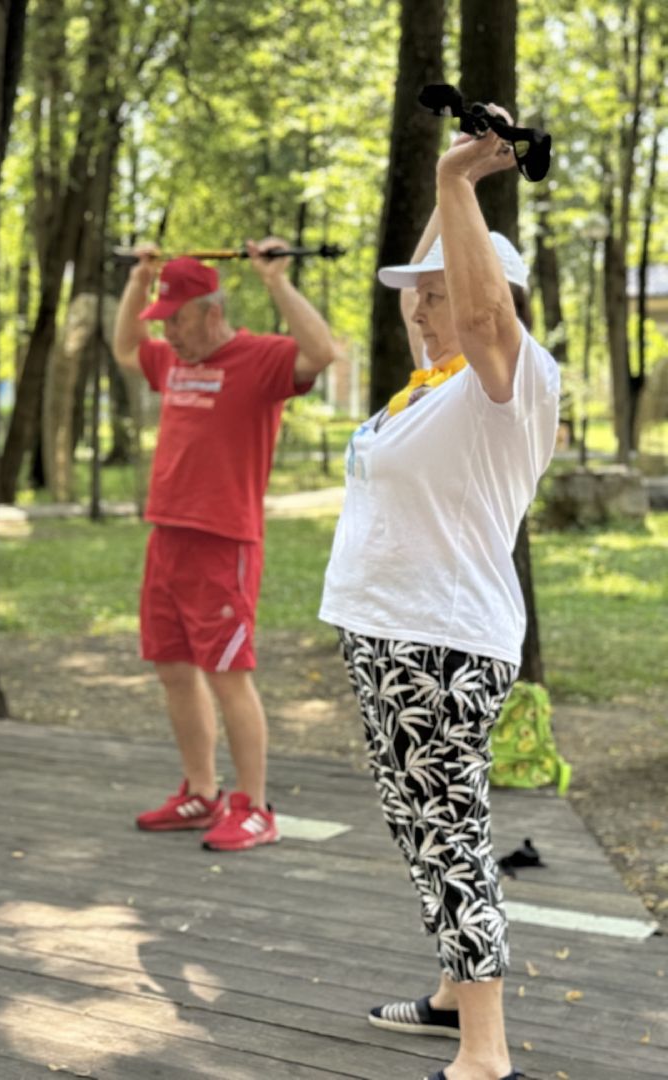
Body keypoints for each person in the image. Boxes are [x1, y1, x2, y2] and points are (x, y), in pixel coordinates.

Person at [319, 112, 555, 1080]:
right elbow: (442, 298)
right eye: (416, 296)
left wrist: (462, 184)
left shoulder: (507, 386)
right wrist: (443, 173)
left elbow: (485, 314)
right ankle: (458, 990)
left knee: (452, 828)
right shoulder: (425, 388)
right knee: (419, 821)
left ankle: (485, 1053)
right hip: (386, 640)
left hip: (443, 647)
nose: (423, 307)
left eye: (439, 294)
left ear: (486, 294)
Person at [112, 239, 340, 852]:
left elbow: (323, 352)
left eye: (178, 321)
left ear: (211, 313)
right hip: (168, 536)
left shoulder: (259, 359)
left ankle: (255, 807)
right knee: (172, 669)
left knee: (227, 675)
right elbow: (127, 348)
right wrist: (142, 280)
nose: (172, 335)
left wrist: (277, 283)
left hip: (224, 543)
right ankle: (200, 792)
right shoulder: (174, 362)